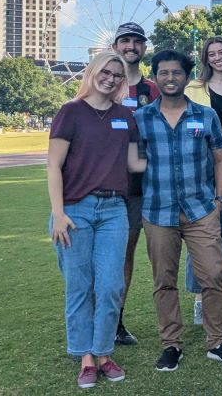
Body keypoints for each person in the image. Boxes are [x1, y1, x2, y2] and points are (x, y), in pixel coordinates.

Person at [130, 50, 222, 370]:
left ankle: (217, 341)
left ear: (186, 77)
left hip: (200, 210)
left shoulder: (205, 115)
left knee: (213, 275)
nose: (170, 78)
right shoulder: (140, 119)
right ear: (155, 76)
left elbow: (221, 158)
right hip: (158, 211)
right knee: (164, 281)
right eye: (163, 73)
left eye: (176, 73)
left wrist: (219, 200)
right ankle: (171, 344)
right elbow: (133, 164)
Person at [46, 51, 133, 388]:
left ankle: (105, 353)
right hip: (75, 210)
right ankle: (86, 357)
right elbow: (53, 165)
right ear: (93, 72)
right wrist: (58, 214)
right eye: (106, 72)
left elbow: (136, 162)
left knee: (111, 285)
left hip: (114, 211)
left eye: (117, 75)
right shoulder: (70, 112)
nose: (110, 78)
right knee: (79, 287)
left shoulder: (126, 116)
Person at [183, 37, 222, 325]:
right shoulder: (193, 90)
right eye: (212, 54)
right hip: (200, 167)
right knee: (201, 234)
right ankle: (200, 302)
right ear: (206, 59)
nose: (218, 57)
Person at [110, 21, 160, 346]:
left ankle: (116, 321)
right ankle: (106, 320)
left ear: (143, 48)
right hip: (110, 187)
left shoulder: (152, 90)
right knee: (109, 257)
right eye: (125, 41)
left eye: (137, 42)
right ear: (116, 46)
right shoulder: (106, 83)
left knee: (129, 255)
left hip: (144, 188)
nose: (131, 46)